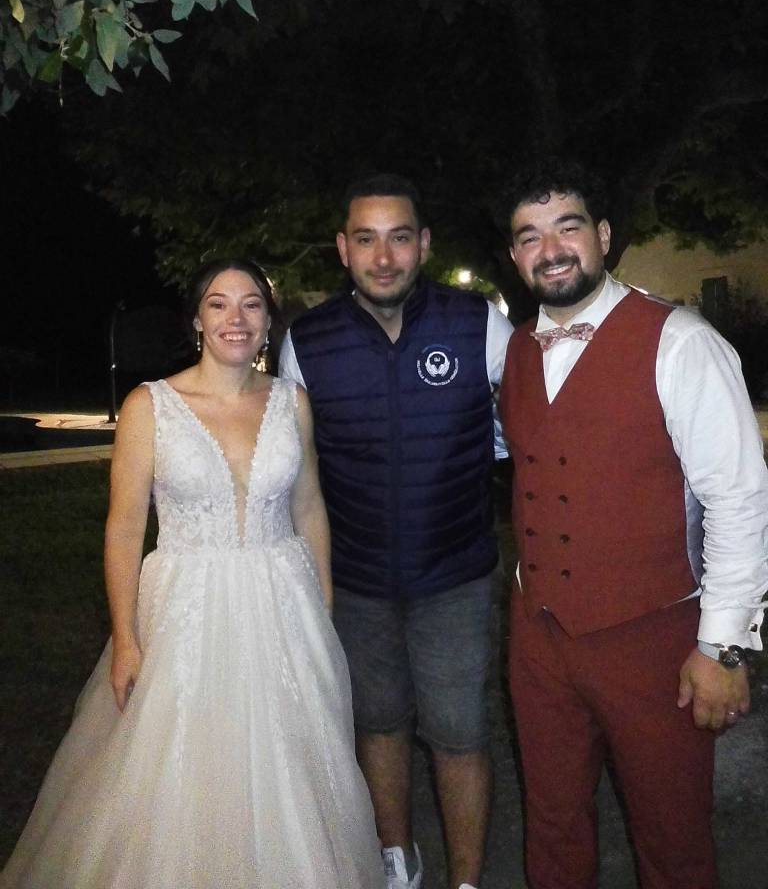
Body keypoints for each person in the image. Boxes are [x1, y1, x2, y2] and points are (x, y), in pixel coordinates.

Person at [1, 259, 385, 889]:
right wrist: (126, 638)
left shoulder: (292, 402)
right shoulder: (149, 406)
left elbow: (310, 506)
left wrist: (322, 605)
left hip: (282, 609)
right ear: (197, 320)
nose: (236, 318)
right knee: (181, 768)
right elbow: (125, 528)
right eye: (218, 303)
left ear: (268, 320)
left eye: (252, 304)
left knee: (290, 765)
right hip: (188, 612)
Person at [497, 161, 768, 889]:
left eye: (568, 228)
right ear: (515, 255)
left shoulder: (680, 341)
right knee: (552, 824)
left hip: (652, 636)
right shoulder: (516, 350)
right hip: (538, 634)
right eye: (530, 236)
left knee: (672, 837)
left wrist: (723, 647)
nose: (551, 249)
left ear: (604, 236)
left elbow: (740, 499)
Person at [279, 174, 513, 889]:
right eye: (367, 239)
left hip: (455, 578)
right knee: (378, 725)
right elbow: (295, 474)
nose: (384, 258)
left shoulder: (479, 325)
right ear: (342, 249)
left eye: (400, 238)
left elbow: (523, 435)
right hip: (356, 582)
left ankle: (465, 881)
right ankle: (396, 861)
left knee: (459, 733)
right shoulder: (306, 343)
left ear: (425, 244)